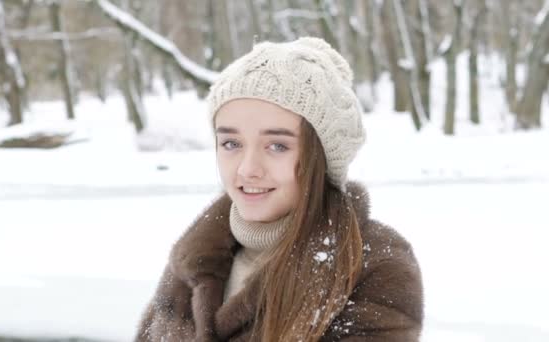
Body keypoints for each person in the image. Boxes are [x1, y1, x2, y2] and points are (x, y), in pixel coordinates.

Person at [135, 37, 423, 342]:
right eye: (231, 143)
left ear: (322, 158)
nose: (247, 169)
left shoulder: (371, 263)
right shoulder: (193, 261)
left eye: (277, 146)